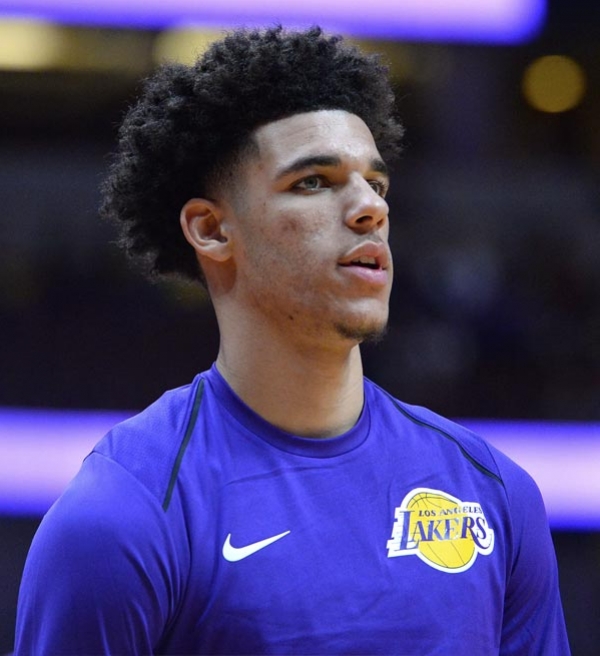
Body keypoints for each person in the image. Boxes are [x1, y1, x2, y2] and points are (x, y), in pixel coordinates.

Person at [15, 26, 570, 655]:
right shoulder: (120, 517)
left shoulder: (494, 492)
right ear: (211, 229)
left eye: (376, 184)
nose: (370, 208)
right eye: (314, 182)